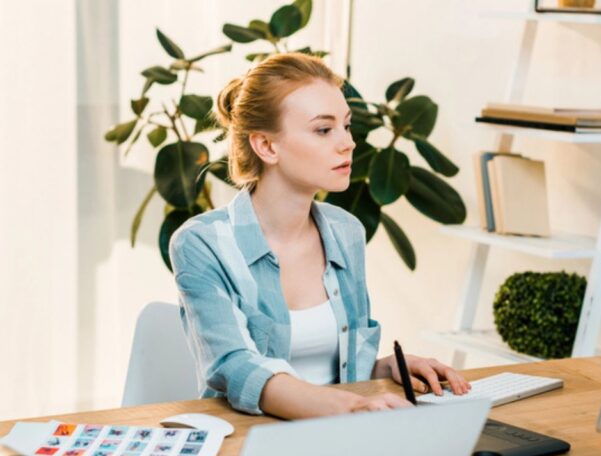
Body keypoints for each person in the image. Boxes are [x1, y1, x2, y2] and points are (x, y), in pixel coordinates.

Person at [169, 53, 470, 419]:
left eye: (346, 125)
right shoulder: (203, 244)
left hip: (340, 437)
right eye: (323, 130)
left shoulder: (346, 232)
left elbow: (330, 370)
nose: (348, 143)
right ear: (266, 146)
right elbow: (236, 367)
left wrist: (385, 369)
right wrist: (353, 404)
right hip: (251, 446)